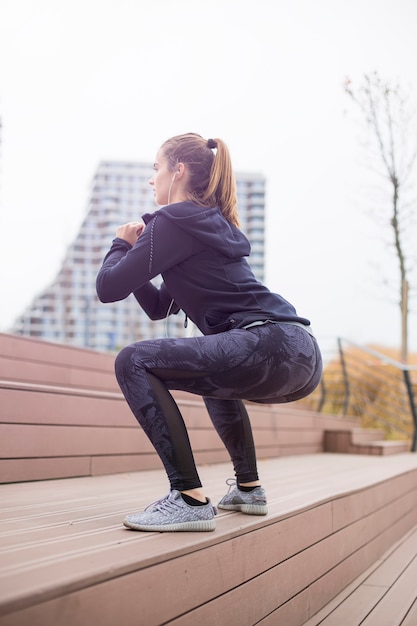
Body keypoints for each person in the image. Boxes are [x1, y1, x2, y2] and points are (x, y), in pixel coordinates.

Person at [96, 132, 322, 532]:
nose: (152, 180)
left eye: (156, 169)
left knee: (132, 359)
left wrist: (119, 244)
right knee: (212, 371)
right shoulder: (201, 227)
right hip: (299, 354)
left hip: (265, 343)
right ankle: (248, 488)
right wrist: (137, 254)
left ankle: (187, 497)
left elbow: (108, 288)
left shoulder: (172, 220)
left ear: (177, 170)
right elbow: (158, 307)